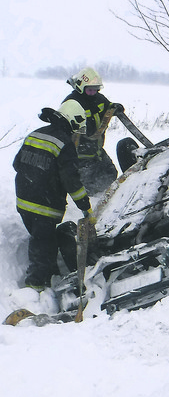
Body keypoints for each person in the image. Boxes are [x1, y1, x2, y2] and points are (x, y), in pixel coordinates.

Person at [13, 100, 95, 290]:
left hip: (23, 199)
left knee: (40, 238)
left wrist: (36, 177)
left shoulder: (35, 134)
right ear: (73, 123)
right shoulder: (65, 145)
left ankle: (49, 275)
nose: (76, 135)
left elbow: (17, 164)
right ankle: (35, 285)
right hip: (44, 205)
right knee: (44, 246)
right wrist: (85, 207)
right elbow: (72, 182)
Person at [63, 67, 123, 194]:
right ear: (80, 87)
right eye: (90, 90)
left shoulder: (99, 99)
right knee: (87, 188)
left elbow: (108, 106)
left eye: (96, 90)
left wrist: (115, 107)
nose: (93, 93)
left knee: (111, 175)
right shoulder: (71, 103)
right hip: (79, 156)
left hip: (96, 151)